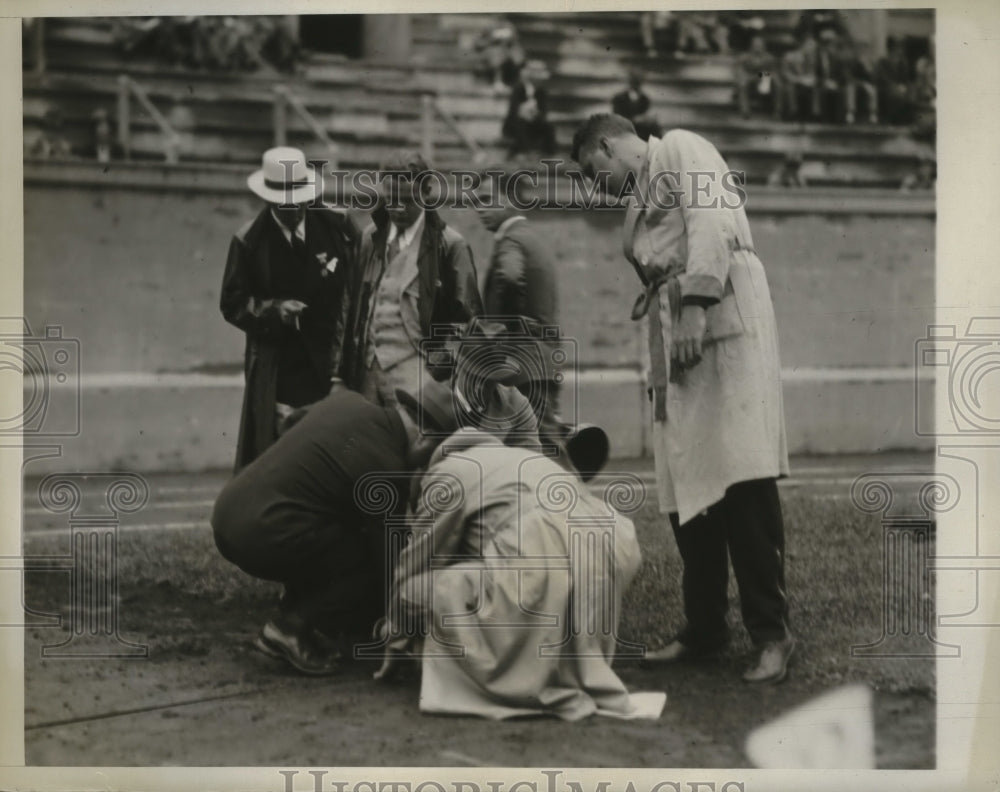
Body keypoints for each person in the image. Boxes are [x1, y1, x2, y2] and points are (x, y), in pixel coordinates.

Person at [571, 114, 794, 683]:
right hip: (678, 336)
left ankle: (772, 634)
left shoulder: (679, 148)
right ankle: (705, 628)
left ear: (605, 143)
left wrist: (697, 304)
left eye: (593, 172)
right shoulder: (636, 199)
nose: (596, 187)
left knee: (741, 475)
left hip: (721, 321)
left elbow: (712, 223)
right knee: (687, 484)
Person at [373, 383, 666, 721]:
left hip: (545, 550)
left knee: (418, 588)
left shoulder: (447, 472)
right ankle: (559, 664)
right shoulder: (518, 455)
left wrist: (394, 636)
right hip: (611, 545)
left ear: (429, 442)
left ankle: (520, 674)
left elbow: (414, 565)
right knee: (506, 570)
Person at [211, 378, 459, 676]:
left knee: (340, 534)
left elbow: (291, 423)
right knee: (366, 562)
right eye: (433, 455)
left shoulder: (348, 402)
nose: (426, 466)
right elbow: (392, 566)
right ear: (425, 437)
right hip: (261, 533)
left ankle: (302, 618)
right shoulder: (386, 465)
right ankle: (287, 628)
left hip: (229, 512)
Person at [220, 146, 359, 471]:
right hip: (282, 368)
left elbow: (359, 280)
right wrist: (274, 310)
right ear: (268, 200)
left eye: (300, 199)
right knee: (283, 456)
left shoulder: (337, 226)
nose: (295, 208)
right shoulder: (249, 242)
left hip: (335, 365)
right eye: (286, 203)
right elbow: (233, 304)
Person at [338, 150, 483, 407]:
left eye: (407, 200)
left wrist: (435, 373)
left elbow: (467, 326)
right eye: (391, 199)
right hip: (366, 380)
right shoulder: (369, 240)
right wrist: (341, 372)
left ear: (427, 193)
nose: (397, 209)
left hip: (418, 381)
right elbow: (349, 308)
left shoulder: (450, 247)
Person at [473, 170, 562, 444]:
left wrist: (498, 336)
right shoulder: (530, 237)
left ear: (510, 198)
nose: (479, 208)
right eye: (476, 201)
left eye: (487, 199)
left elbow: (510, 277)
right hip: (540, 360)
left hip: (522, 362)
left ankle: (577, 489)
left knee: (545, 451)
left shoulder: (511, 241)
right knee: (531, 450)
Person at [502, 60, 557, 159]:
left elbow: (544, 111)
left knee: (549, 127)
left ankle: (548, 153)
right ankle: (524, 152)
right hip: (517, 122)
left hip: (534, 122)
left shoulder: (541, 92)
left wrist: (536, 115)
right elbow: (513, 111)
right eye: (537, 79)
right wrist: (524, 112)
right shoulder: (518, 89)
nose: (540, 81)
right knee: (520, 123)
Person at [734, 35, 782, 120]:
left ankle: (777, 111)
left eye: (759, 45)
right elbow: (739, 70)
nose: (757, 47)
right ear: (751, 46)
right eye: (755, 45)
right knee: (742, 83)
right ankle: (745, 111)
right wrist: (747, 77)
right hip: (749, 80)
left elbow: (773, 72)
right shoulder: (744, 57)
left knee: (777, 84)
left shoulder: (769, 58)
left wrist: (760, 75)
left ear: (764, 46)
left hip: (764, 81)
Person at [612, 69, 661, 141]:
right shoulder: (619, 98)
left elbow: (645, 115)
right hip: (625, 129)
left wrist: (647, 119)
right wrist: (635, 119)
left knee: (654, 127)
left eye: (638, 81)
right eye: (634, 81)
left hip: (641, 130)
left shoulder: (645, 99)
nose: (636, 84)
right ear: (630, 82)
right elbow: (617, 117)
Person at [876, 37, 913, 125]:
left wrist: (904, 86)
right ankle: (891, 120)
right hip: (885, 88)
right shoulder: (883, 62)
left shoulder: (903, 63)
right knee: (895, 94)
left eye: (900, 48)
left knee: (908, 94)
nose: (899, 51)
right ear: (890, 49)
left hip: (900, 88)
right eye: (896, 48)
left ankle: (903, 119)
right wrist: (894, 86)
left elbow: (906, 78)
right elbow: (881, 77)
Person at [781, 35, 819, 121]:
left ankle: (815, 113)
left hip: (805, 83)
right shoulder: (790, 56)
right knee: (790, 87)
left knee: (816, 86)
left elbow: (812, 73)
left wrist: (810, 79)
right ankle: (792, 112)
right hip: (793, 81)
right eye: (810, 46)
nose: (813, 49)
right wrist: (799, 80)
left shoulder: (812, 59)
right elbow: (785, 73)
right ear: (803, 45)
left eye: (814, 47)